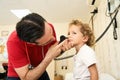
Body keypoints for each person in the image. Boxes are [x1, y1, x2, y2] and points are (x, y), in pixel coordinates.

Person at [6, 13, 72, 80]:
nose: (53, 39)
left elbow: (53, 52)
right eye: (48, 42)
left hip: (39, 67)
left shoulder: (48, 28)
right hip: (20, 75)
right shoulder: (13, 42)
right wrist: (48, 58)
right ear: (31, 43)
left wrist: (62, 49)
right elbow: (26, 78)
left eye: (51, 32)